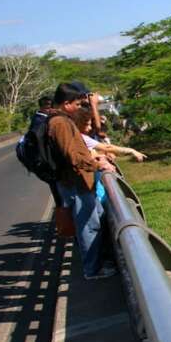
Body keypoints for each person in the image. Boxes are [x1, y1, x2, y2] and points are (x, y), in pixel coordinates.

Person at [46, 82, 118, 280]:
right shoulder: (59, 123)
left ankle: (99, 261)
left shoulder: (60, 120)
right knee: (88, 224)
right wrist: (97, 165)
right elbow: (73, 155)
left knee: (97, 217)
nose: (80, 107)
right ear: (67, 103)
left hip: (79, 182)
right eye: (78, 104)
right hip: (76, 182)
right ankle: (92, 270)